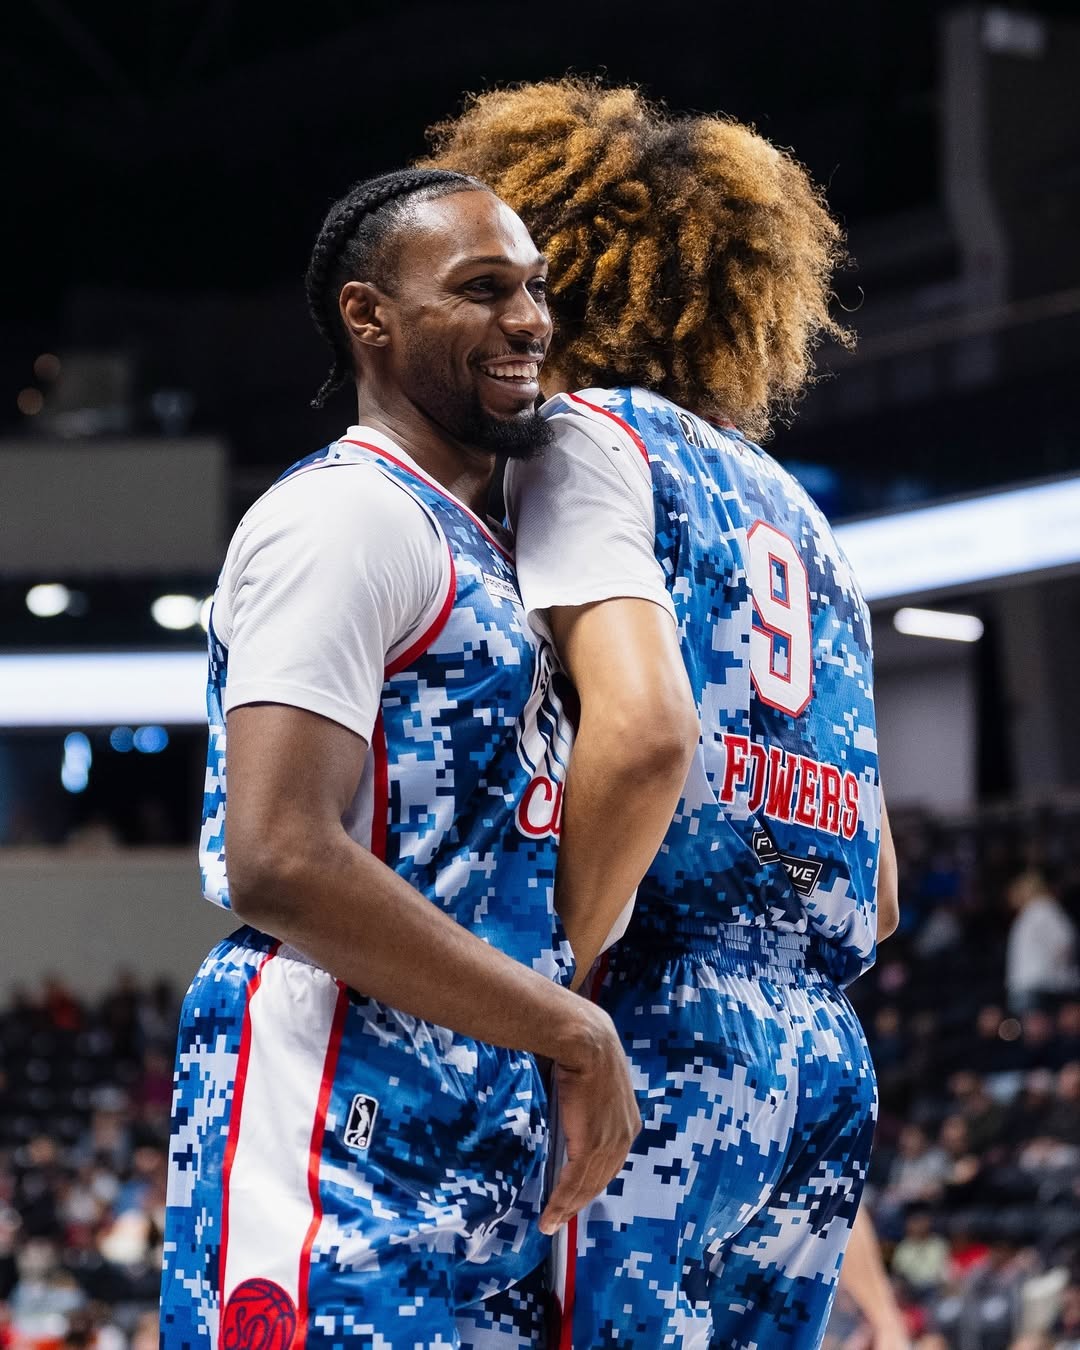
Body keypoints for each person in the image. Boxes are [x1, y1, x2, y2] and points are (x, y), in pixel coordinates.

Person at [426, 80, 895, 1348]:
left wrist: (554, 994)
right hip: (821, 1058)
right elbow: (882, 891)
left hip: (656, 1023)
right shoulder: (805, 519)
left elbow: (642, 735)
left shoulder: (587, 437)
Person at [159, 167, 639, 1349]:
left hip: (478, 1116)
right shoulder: (347, 518)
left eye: (533, 288)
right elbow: (277, 856)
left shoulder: (492, 544)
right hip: (334, 1107)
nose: (527, 320)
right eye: (481, 289)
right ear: (368, 316)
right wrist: (572, 1027)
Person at [1005, 870, 1080, 1013]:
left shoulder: (1043, 908)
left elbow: (1065, 943)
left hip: (1041, 986)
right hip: (1033, 985)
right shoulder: (1032, 911)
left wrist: (1060, 973)